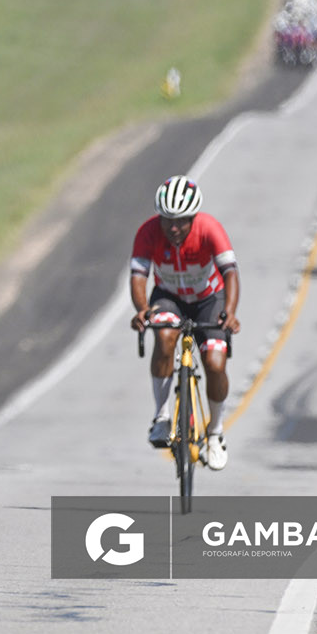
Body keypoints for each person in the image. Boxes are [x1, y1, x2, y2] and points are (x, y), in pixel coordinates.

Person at [129, 175, 240, 470]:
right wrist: (142, 309)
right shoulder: (148, 232)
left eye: (181, 221)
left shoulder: (210, 229)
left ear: (194, 217)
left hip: (209, 299)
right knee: (165, 336)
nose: (174, 228)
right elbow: (138, 276)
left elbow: (230, 273)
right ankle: (162, 417)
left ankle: (215, 433)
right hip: (168, 297)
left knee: (215, 363)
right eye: (167, 220)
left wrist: (229, 311)